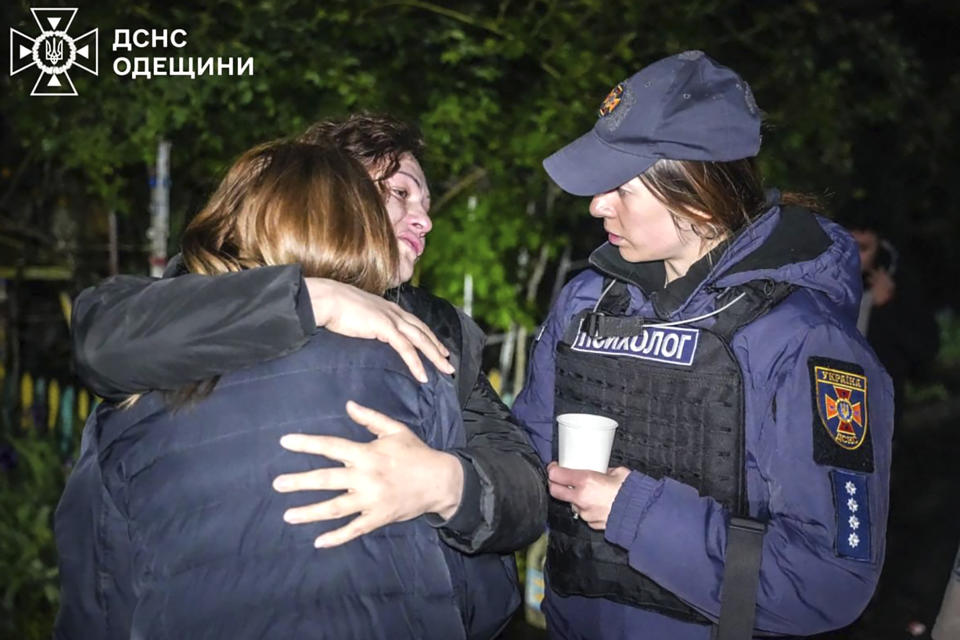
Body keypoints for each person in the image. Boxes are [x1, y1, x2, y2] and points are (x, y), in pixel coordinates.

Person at [55, 140, 519, 639]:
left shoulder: (136, 388)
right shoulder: (418, 362)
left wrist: (448, 483)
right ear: (343, 209)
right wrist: (309, 297)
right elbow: (483, 597)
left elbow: (101, 586)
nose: (423, 220)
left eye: (426, 204)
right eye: (400, 193)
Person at [511, 51, 895, 639]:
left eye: (621, 188)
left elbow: (829, 580)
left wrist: (636, 513)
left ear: (695, 192)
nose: (596, 205)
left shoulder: (806, 343)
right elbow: (521, 455)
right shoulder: (585, 302)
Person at [848, 224, 939, 428]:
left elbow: (925, 349)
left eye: (862, 249)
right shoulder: (826, 288)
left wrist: (887, 307)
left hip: (880, 412)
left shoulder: (901, 288)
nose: (852, 256)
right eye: (846, 246)